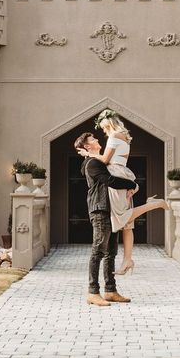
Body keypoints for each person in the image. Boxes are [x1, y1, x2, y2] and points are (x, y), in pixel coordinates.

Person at [80, 109, 168, 276]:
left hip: (116, 174)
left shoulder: (114, 137)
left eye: (104, 129)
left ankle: (153, 204)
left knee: (120, 217)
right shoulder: (124, 137)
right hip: (123, 171)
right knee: (127, 225)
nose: (104, 133)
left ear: (108, 124)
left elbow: (105, 160)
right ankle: (127, 260)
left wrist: (89, 154)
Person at [75, 131, 136, 306]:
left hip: (110, 210)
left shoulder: (97, 160)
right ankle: (92, 292)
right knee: (98, 251)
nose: (97, 140)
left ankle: (110, 290)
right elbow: (110, 180)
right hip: (100, 209)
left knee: (111, 253)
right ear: (87, 146)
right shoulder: (92, 163)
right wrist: (132, 184)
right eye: (93, 139)